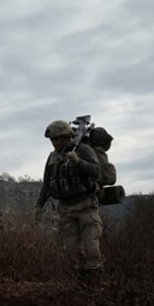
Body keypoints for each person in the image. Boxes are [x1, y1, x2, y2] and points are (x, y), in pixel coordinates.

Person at [34, 120, 103, 281]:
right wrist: (39, 205)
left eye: (59, 139)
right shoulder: (53, 158)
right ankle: (78, 286)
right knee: (71, 252)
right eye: (53, 140)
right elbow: (47, 183)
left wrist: (78, 162)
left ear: (67, 137)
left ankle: (96, 285)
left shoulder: (83, 149)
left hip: (86, 206)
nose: (55, 143)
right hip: (65, 209)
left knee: (91, 247)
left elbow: (96, 172)